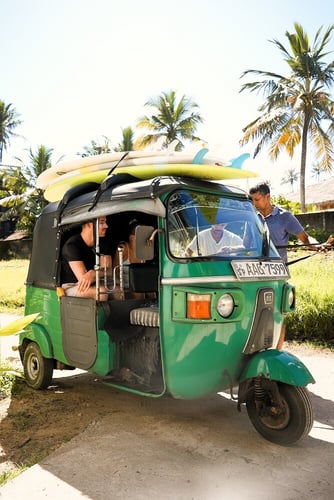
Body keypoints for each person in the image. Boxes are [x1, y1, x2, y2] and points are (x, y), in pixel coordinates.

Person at [248, 182, 331, 263]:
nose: (254, 203)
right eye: (252, 200)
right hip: (256, 271)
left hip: (278, 272)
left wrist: (317, 245)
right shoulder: (252, 218)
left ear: (267, 197)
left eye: (257, 199)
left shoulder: (284, 216)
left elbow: (305, 238)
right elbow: (246, 243)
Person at [61, 216, 110, 300]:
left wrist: (92, 273)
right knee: (101, 292)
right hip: (72, 286)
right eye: (102, 223)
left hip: (95, 282)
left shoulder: (102, 242)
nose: (106, 226)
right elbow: (83, 279)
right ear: (89, 225)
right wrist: (97, 274)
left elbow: (108, 271)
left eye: (105, 222)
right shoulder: (72, 245)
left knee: (118, 290)